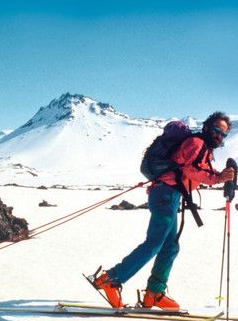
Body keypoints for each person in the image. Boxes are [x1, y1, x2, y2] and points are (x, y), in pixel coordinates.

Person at [93, 112, 235, 310]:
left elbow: (194, 170)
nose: (219, 136)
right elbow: (191, 170)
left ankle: (154, 293)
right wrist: (218, 178)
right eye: (216, 131)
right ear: (206, 128)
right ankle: (110, 279)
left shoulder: (202, 147)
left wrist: (217, 176)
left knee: (170, 247)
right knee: (154, 243)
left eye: (223, 134)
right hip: (165, 194)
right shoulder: (196, 143)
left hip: (169, 195)